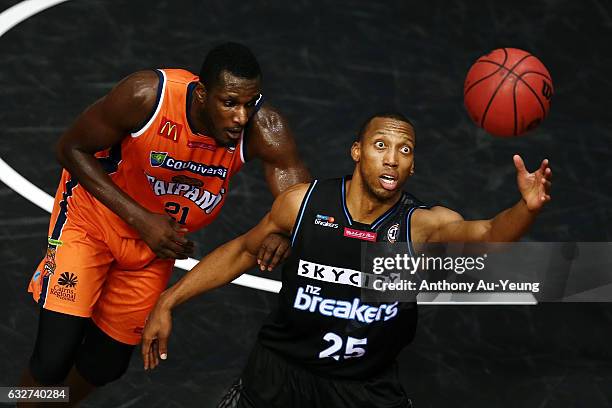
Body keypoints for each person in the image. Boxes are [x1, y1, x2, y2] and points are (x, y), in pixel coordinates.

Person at [142, 112, 552, 407]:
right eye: (381, 145)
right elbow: (242, 251)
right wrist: (167, 301)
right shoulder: (302, 204)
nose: (392, 158)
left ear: (412, 167)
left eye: (404, 150)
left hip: (362, 388)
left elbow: (490, 235)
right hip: (278, 373)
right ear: (357, 152)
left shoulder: (422, 227)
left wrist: (527, 207)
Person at [20, 42, 310, 406]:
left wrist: (284, 231)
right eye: (230, 103)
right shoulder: (147, 97)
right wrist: (140, 219)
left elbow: (301, 202)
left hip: (154, 247)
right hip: (91, 222)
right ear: (202, 94)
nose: (241, 117)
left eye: (250, 104)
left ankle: (52, 406)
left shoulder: (263, 128)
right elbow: (70, 148)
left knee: (104, 366)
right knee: (51, 360)